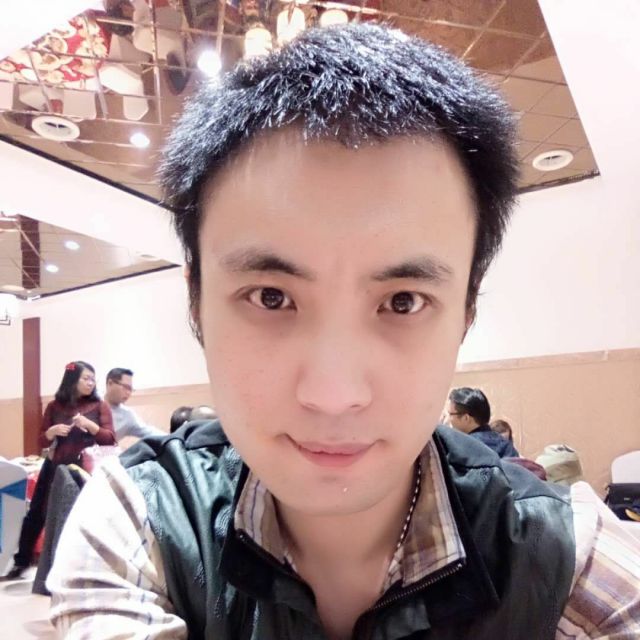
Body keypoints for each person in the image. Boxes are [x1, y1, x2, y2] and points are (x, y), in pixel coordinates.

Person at [47, 24, 640, 639]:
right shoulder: (142, 517)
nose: (334, 395)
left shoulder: (563, 555)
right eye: (271, 297)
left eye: (403, 301)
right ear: (196, 302)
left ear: (466, 312)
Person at [6, 361, 114, 580]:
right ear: (72, 380)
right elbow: (40, 440)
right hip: (55, 465)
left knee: (82, 514)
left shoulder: (99, 405)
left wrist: (89, 425)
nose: (91, 383)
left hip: (83, 468)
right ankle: (22, 561)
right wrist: (51, 432)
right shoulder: (54, 406)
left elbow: (110, 438)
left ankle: (81, 566)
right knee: (37, 513)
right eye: (86, 378)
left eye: (93, 379)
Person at [447, 387, 519, 458]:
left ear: (466, 418)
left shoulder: (461, 450)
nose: (448, 419)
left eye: (450, 414)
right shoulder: (507, 446)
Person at [104, 367, 162, 441]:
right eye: (125, 387)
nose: (128, 393)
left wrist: (172, 437)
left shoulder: (127, 415)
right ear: (110, 383)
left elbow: (149, 432)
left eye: (130, 389)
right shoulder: (91, 401)